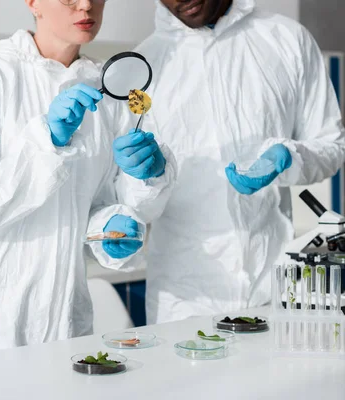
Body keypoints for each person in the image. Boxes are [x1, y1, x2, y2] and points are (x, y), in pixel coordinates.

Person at [0, 0, 176, 360]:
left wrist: (116, 222)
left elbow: (98, 202)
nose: (86, 6)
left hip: (63, 315)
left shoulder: (106, 91)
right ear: (33, 3)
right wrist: (47, 141)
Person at [120, 0, 345, 324]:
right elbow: (127, 194)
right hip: (185, 301)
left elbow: (331, 145)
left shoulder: (287, 39)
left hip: (276, 286)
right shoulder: (140, 69)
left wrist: (290, 158)